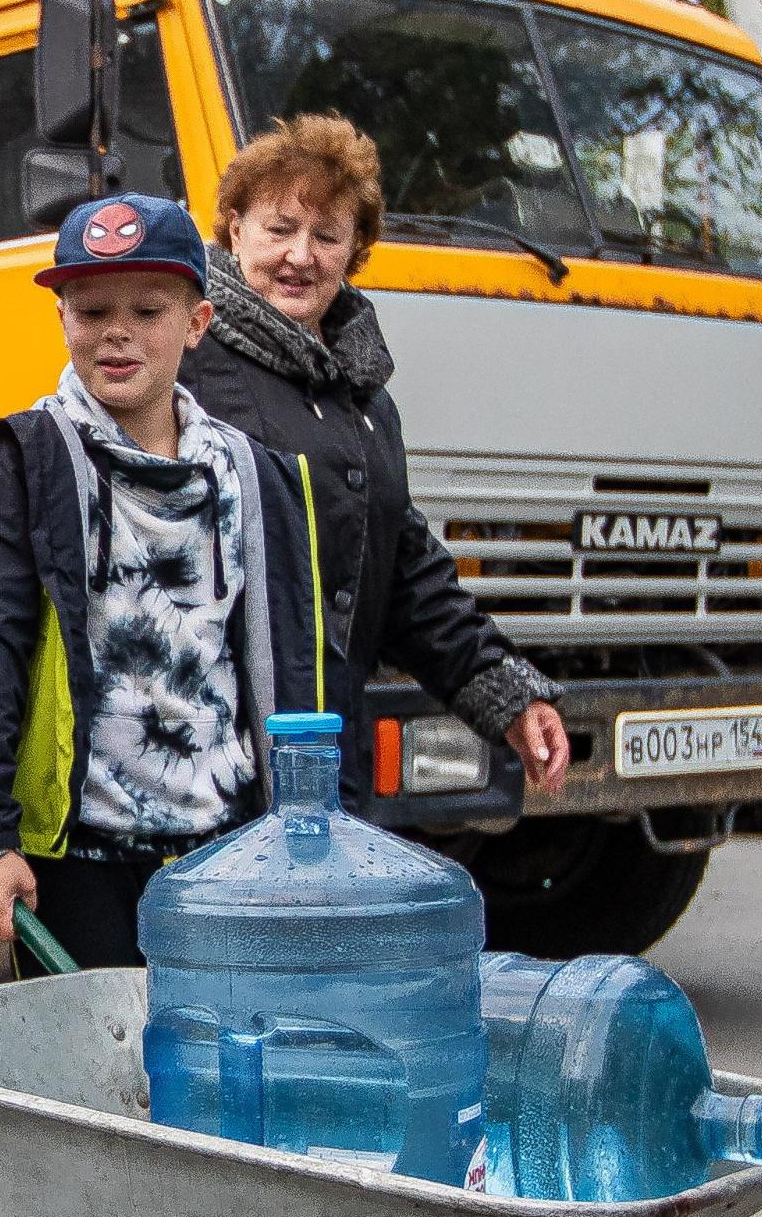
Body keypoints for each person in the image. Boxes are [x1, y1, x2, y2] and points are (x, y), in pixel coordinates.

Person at [0, 187, 566, 1217]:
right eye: (91, 312)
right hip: (78, 847)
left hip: (229, 854)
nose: (117, 335)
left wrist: (309, 824)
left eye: (146, 311)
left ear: (194, 319)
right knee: (91, 1119)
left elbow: (292, 649)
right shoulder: (25, 463)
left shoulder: (252, 473)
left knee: (262, 1126)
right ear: (61, 316)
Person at [181, 115, 570, 793]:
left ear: (354, 250)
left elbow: (404, 570)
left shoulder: (363, 398)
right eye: (279, 230)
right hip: (209, 770)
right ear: (234, 228)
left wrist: (508, 695)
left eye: (327, 236)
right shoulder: (184, 364)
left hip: (329, 756)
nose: (301, 255)